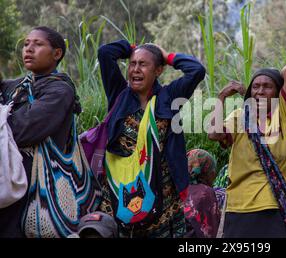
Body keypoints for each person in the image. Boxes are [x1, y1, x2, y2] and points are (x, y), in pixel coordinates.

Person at [96, 39, 205, 238]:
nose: (135, 69)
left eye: (143, 64)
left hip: (162, 197)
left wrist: (167, 56)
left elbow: (196, 70)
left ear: (158, 71)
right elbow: (105, 53)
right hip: (119, 194)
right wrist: (133, 48)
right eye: (133, 63)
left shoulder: (168, 97)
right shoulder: (118, 94)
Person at [208, 64, 286, 238]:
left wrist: (270, 76)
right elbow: (214, 134)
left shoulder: (283, 116)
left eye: (267, 86)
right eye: (255, 87)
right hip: (238, 205)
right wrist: (221, 97)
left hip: (273, 205)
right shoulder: (239, 116)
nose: (260, 91)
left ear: (278, 92)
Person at [0, 26, 86, 237]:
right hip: (8, 179)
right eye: (26, 44)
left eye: (38, 44)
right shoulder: (17, 85)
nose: (29, 49)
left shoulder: (59, 91)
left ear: (57, 54)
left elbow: (22, 130)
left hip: (33, 185)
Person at [183, 149, 220, 238]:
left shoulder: (178, 189)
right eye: (213, 171)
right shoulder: (206, 192)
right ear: (206, 170)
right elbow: (211, 230)